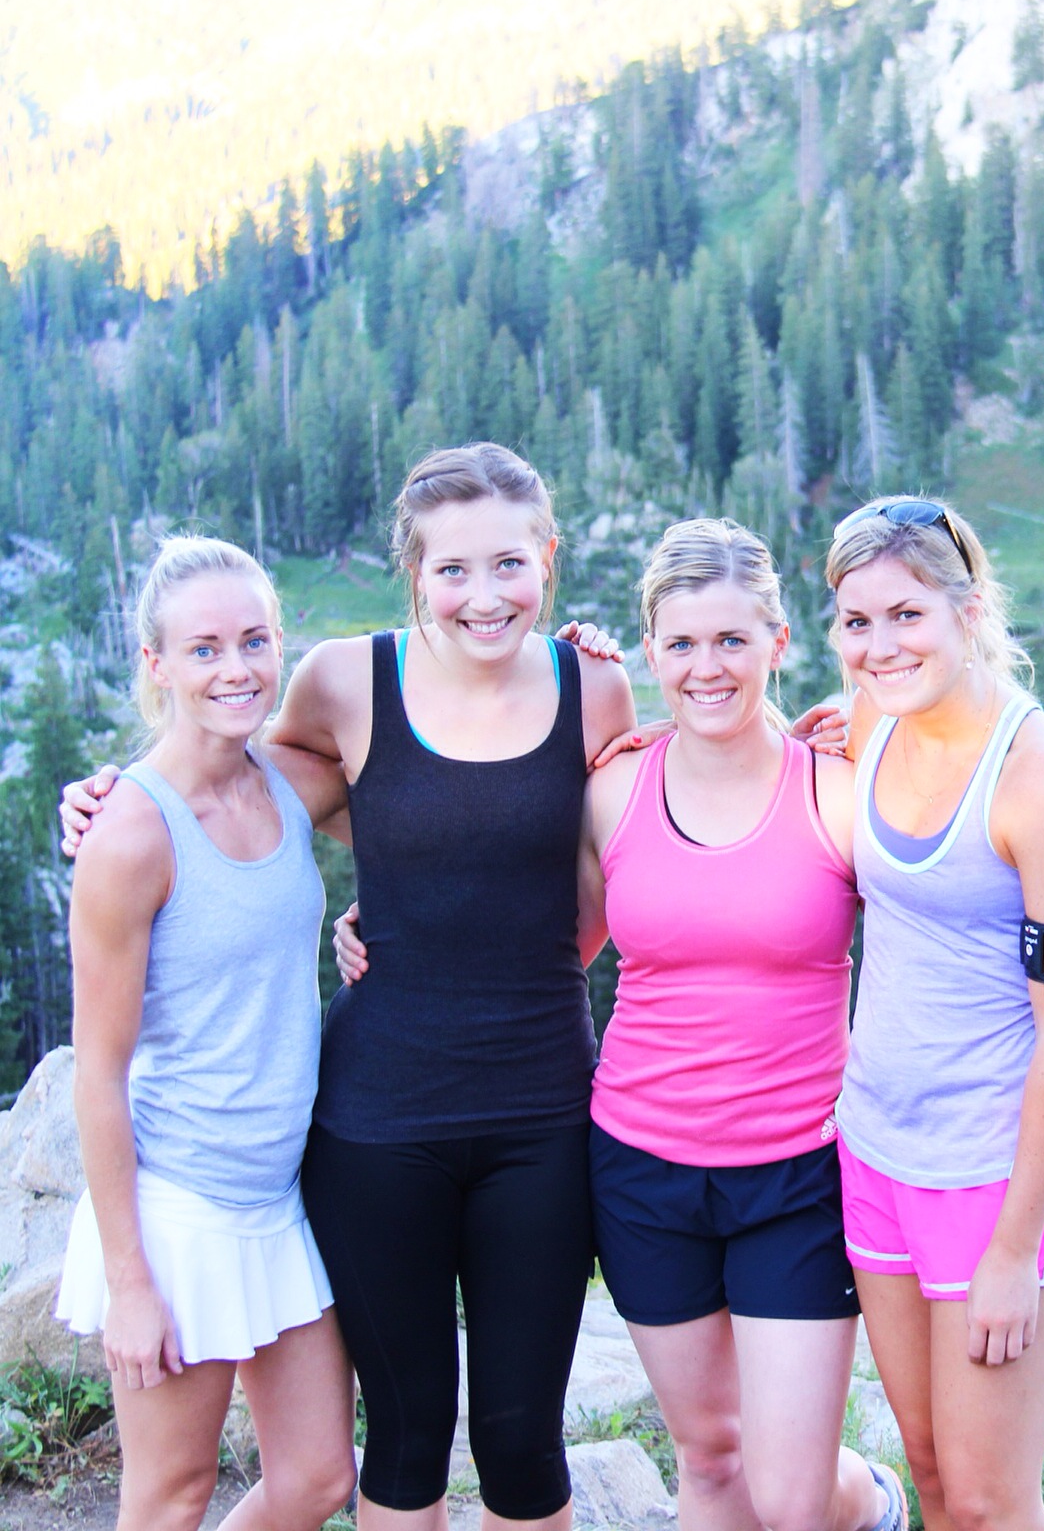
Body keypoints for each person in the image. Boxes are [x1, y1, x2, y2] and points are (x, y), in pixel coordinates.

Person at [60, 444, 638, 1531]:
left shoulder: (593, 685)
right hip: (371, 1125)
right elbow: (227, 781)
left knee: (516, 1441)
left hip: (538, 1116)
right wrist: (107, 802)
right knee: (404, 1441)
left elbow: (638, 847)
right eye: (452, 569)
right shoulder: (341, 681)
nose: (483, 594)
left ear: (549, 560)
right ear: (412, 574)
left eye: (509, 564)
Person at [336, 517, 906, 1531]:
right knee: (710, 1453)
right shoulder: (612, 788)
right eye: (682, 644)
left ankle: (879, 1504)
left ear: (779, 642)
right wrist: (382, 931)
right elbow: (558, 931)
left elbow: (942, 914)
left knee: (792, 1492)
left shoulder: (841, 792)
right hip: (643, 1172)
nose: (707, 668)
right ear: (648, 652)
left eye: (733, 640)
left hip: (797, 1171)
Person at [57, 536, 358, 1531]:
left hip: (277, 1197)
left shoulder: (286, 782)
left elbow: (442, 783)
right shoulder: (131, 833)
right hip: (177, 1208)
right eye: (202, 650)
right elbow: (96, 1076)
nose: (235, 669)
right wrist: (131, 1282)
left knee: (317, 1480)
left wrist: (581, 673)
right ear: (155, 664)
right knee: (170, 1495)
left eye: (254, 640)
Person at [825, 497, 1044, 1531]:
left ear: (969, 607)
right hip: (881, 1158)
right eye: (855, 622)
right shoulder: (871, 722)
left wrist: (1014, 1251)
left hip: (999, 1181)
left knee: (992, 1500)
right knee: (936, 1478)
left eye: (906, 615)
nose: (878, 646)